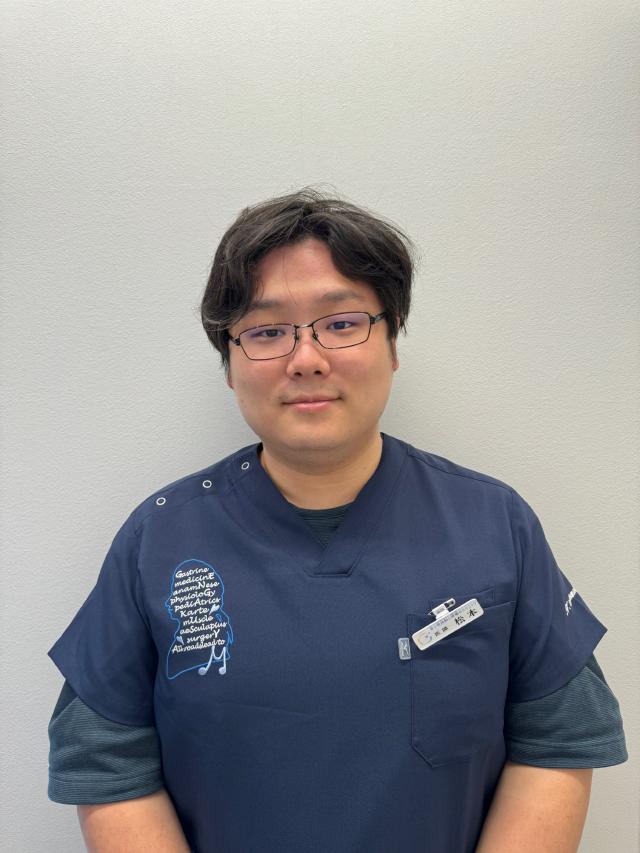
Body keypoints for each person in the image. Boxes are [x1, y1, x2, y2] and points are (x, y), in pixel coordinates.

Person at [48, 189, 627, 853]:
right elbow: (103, 757)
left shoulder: (495, 524)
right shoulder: (160, 538)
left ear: (392, 342)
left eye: (342, 323)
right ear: (230, 366)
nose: (306, 358)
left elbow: (560, 739)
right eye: (267, 332)